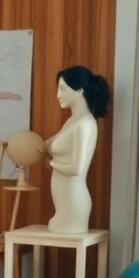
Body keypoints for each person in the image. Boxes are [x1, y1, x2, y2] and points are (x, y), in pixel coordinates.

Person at [46, 66, 109, 234]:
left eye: (62, 89)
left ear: (79, 90)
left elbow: (76, 168)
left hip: (74, 205)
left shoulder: (84, 124)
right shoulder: (72, 121)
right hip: (63, 204)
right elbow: (46, 146)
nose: (58, 95)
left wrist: (52, 163)